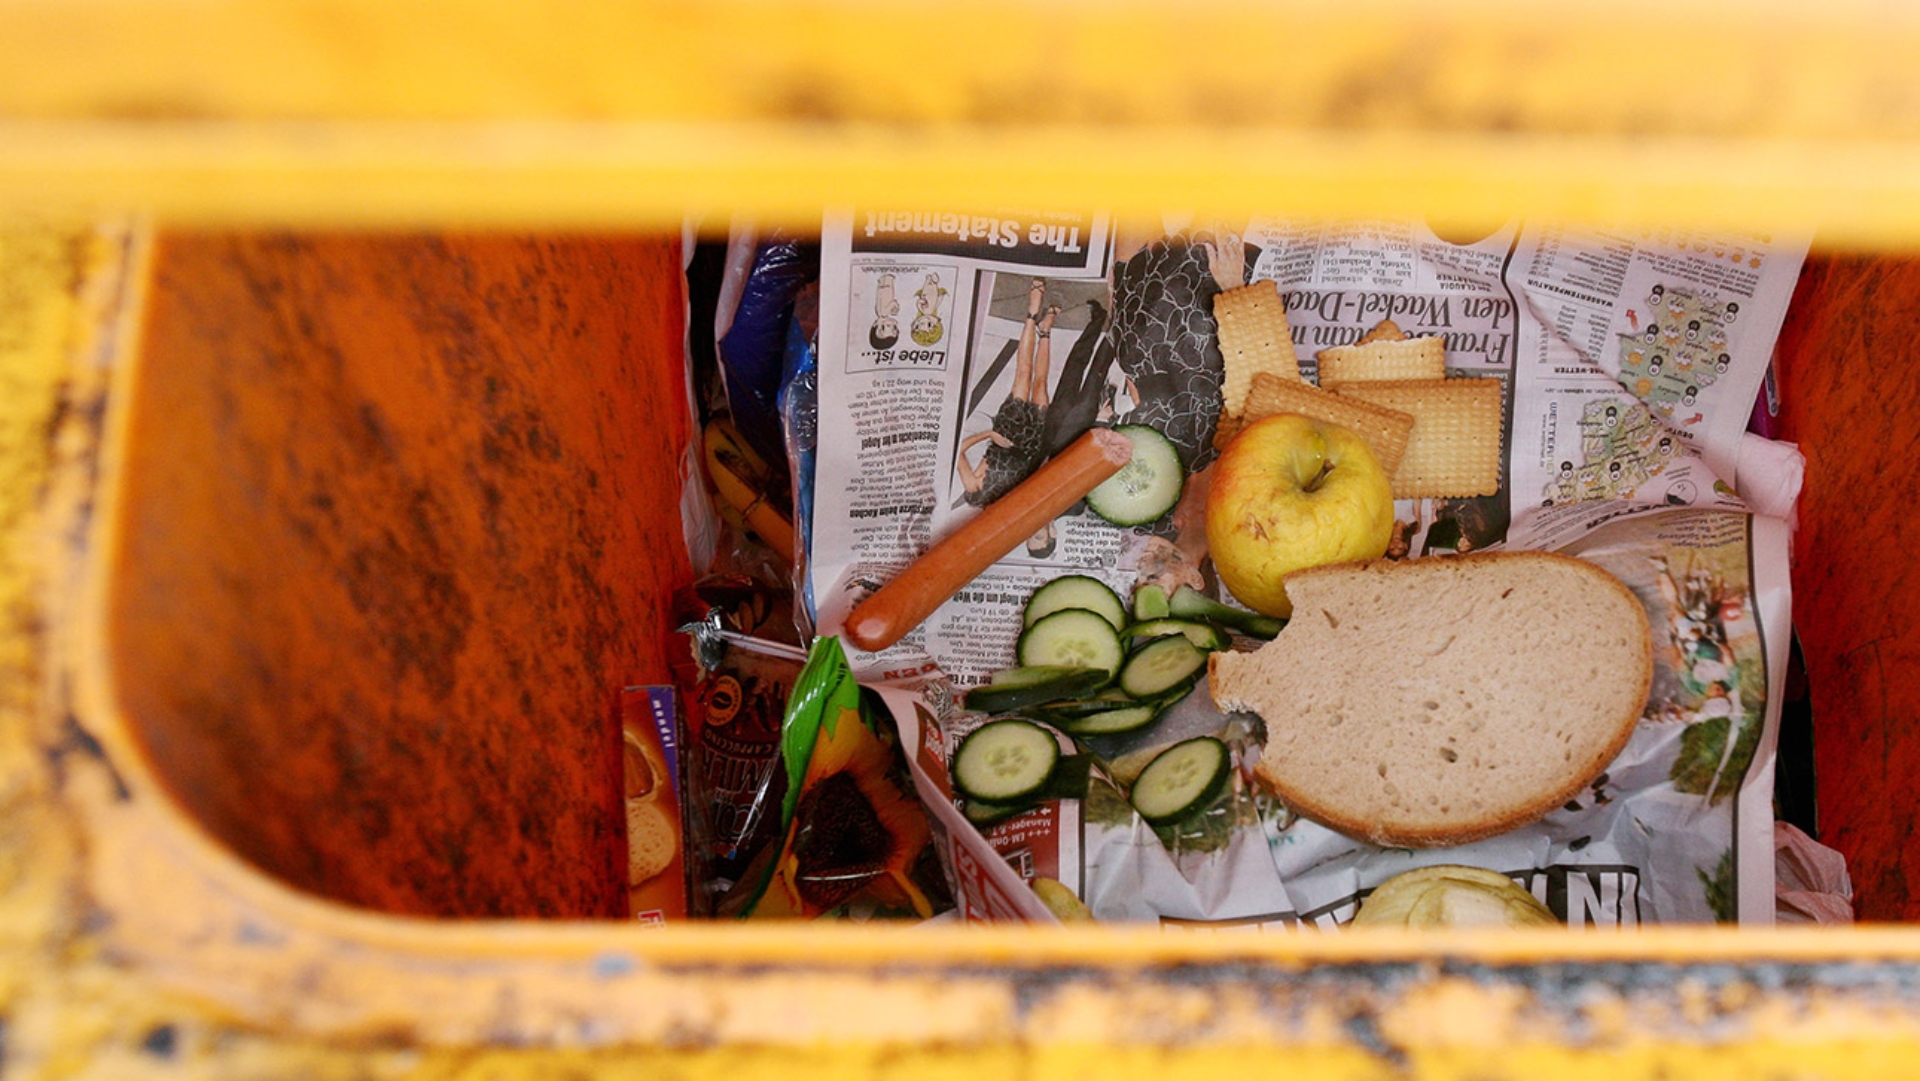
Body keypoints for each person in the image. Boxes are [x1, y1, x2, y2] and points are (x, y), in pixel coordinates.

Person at [958, 280, 1063, 556]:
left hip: (1007, 428)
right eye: (1035, 538)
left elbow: (958, 453)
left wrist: (990, 436)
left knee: (1023, 371)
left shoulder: (975, 492)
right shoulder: (1022, 504)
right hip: (1030, 441)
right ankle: (1046, 331)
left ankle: (1032, 309)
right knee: (1041, 383)